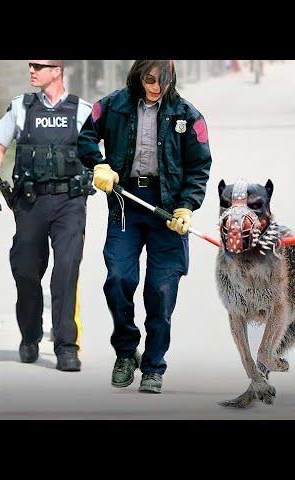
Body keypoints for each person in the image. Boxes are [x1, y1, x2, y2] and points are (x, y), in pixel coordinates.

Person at [77, 60, 212, 393]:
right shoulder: (111, 106)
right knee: (119, 278)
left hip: (167, 207)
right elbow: (85, 139)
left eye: (163, 81)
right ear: (139, 76)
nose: (156, 87)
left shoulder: (188, 115)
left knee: (161, 290)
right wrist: (100, 165)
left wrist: (186, 205)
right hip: (126, 202)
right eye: (150, 79)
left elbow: (199, 166)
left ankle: (153, 365)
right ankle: (126, 353)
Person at [0, 60, 93, 371]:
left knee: (66, 269)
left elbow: (99, 153)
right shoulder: (21, 108)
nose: (32, 70)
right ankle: (30, 335)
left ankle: (66, 345)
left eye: (39, 65)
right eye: (30, 65)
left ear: (58, 70)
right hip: (30, 202)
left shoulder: (83, 111)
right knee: (25, 269)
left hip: (70, 201)